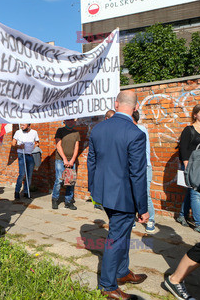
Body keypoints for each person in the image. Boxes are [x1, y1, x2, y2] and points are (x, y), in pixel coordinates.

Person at [87, 90, 149, 299]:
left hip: (104, 193)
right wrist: (143, 208)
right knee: (116, 238)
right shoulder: (135, 133)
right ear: (136, 107)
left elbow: (91, 162)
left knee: (122, 234)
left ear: (116, 103)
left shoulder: (98, 129)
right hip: (123, 197)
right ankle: (107, 285)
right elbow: (138, 174)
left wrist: (93, 188)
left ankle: (122, 272)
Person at [176, 104, 200, 235]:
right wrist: (187, 166)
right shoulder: (189, 130)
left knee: (191, 192)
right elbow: (183, 149)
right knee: (195, 193)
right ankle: (199, 224)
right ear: (195, 115)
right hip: (191, 166)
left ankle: (182, 215)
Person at [132, 111, 157, 233]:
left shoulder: (140, 129)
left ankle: (151, 219)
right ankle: (132, 218)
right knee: (131, 194)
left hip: (144, 167)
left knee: (145, 194)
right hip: (131, 168)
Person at [51, 119, 80, 210]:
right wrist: (64, 159)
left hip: (71, 161)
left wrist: (72, 160)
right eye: (68, 121)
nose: (70, 122)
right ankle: (55, 199)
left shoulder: (76, 133)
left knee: (70, 181)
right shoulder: (60, 131)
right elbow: (58, 145)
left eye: (72, 121)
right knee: (59, 181)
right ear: (65, 121)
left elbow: (76, 147)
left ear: (74, 122)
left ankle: (68, 201)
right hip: (60, 160)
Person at [11, 124, 39, 200]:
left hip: (31, 155)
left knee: (29, 175)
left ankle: (26, 192)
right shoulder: (18, 132)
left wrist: (35, 148)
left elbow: (37, 142)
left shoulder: (34, 132)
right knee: (22, 174)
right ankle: (17, 191)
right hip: (21, 154)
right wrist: (19, 146)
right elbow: (13, 143)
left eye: (23, 125)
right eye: (21, 125)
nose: (22, 126)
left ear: (29, 125)